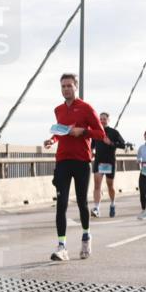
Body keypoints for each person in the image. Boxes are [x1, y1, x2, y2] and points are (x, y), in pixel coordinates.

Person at [43, 73, 105, 261]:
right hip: (62, 160)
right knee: (60, 204)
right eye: (63, 86)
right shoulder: (58, 110)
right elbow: (60, 131)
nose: (66, 89)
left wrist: (83, 131)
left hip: (81, 161)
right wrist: (52, 139)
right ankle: (62, 246)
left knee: (81, 202)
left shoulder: (86, 108)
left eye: (69, 85)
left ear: (76, 86)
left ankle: (86, 236)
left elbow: (100, 134)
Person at [92, 111, 125, 218]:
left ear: (108, 120)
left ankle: (112, 204)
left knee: (110, 185)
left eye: (104, 119)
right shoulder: (95, 132)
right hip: (98, 161)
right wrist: (90, 151)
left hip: (109, 162)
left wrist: (111, 143)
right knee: (97, 185)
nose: (102, 121)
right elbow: (91, 145)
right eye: (100, 119)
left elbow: (123, 145)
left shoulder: (114, 132)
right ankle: (97, 208)